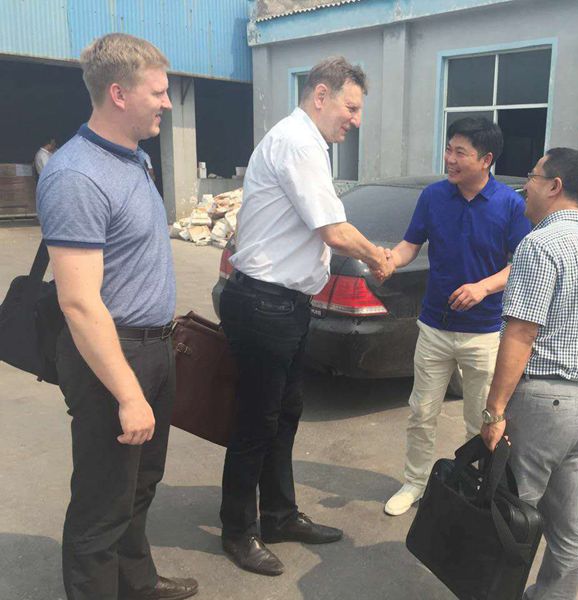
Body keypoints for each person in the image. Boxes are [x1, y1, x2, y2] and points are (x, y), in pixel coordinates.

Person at [36, 34, 198, 600]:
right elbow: (79, 303)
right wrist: (128, 394)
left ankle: (138, 583)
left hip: (154, 347)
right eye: (158, 92)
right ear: (118, 94)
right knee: (103, 502)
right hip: (110, 355)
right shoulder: (76, 176)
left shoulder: (137, 159)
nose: (168, 103)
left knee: (141, 484)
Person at [219, 56, 392, 576]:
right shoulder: (298, 143)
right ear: (321, 95)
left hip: (285, 305)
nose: (355, 120)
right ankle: (238, 530)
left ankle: (278, 514)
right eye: (350, 107)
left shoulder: (306, 143)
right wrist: (378, 257)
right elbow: (333, 230)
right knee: (256, 422)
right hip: (264, 305)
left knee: (285, 414)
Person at [479, 148, 578, 600]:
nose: (526, 186)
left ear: (555, 186)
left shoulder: (539, 245)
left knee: (509, 516)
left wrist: (494, 410)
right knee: (569, 529)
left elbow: (520, 333)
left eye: (532, 176)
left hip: (544, 404)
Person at [383, 117, 531, 516]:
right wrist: (389, 260)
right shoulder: (433, 197)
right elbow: (411, 244)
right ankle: (415, 482)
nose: (449, 159)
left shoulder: (510, 204)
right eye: (448, 149)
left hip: (484, 333)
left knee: (480, 419)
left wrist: (483, 287)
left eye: (460, 152)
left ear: (486, 159)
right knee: (422, 412)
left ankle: (472, 486)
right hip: (434, 326)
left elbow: (520, 263)